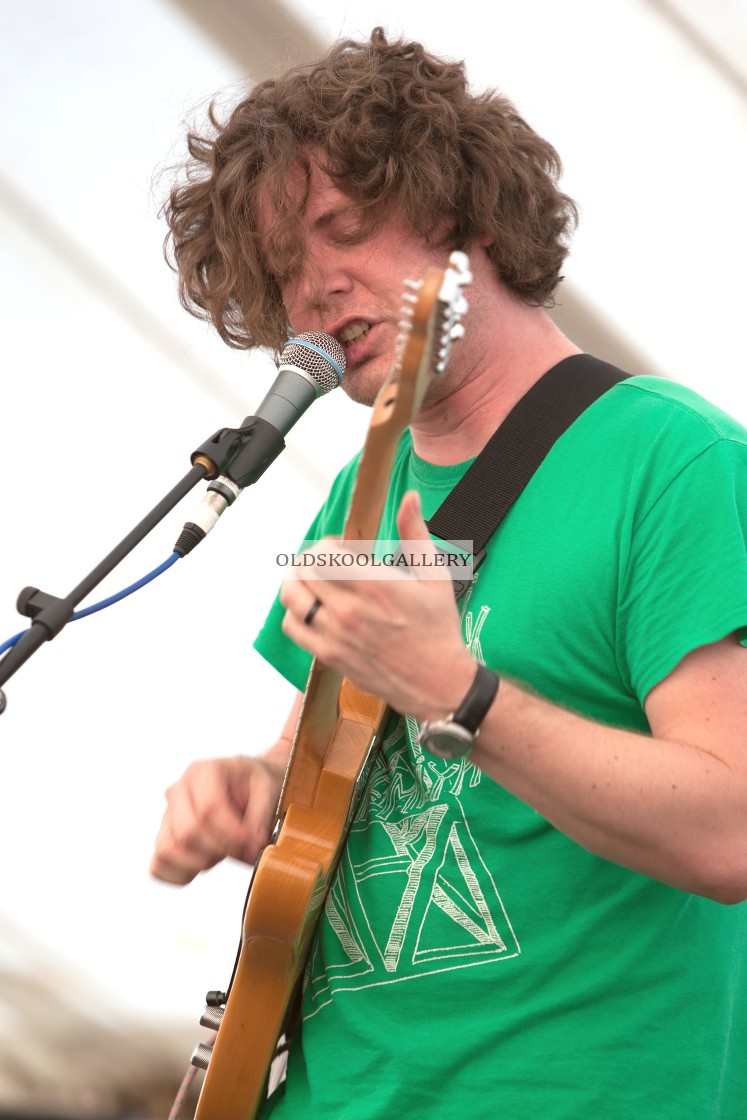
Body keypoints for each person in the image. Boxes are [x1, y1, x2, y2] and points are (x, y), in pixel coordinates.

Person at [151, 27, 747, 1119]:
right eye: (284, 268)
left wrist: (461, 692)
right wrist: (248, 789)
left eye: (346, 229)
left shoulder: (678, 462)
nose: (318, 288)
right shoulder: (358, 495)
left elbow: (735, 827)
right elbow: (313, 771)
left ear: (464, 215)